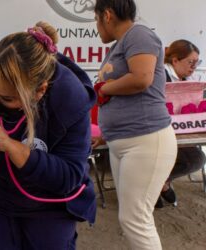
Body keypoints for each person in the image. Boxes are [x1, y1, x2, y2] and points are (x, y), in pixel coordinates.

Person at [0, 21, 97, 249]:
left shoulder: (69, 97)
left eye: (6, 98)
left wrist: (12, 146)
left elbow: (69, 176)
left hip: (48, 206)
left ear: (40, 91)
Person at [92, 0, 177, 249]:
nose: (97, 28)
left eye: (96, 20)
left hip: (146, 140)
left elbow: (141, 79)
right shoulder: (124, 42)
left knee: (134, 219)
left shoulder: (138, 34)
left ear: (107, 15)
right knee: (133, 218)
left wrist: (102, 88)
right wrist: (107, 134)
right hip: (130, 141)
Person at [156, 40, 206, 207]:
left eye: (196, 62)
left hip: (180, 132)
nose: (193, 67)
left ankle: (160, 183)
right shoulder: (159, 76)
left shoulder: (190, 79)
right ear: (175, 60)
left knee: (197, 159)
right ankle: (153, 186)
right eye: (190, 62)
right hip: (156, 133)